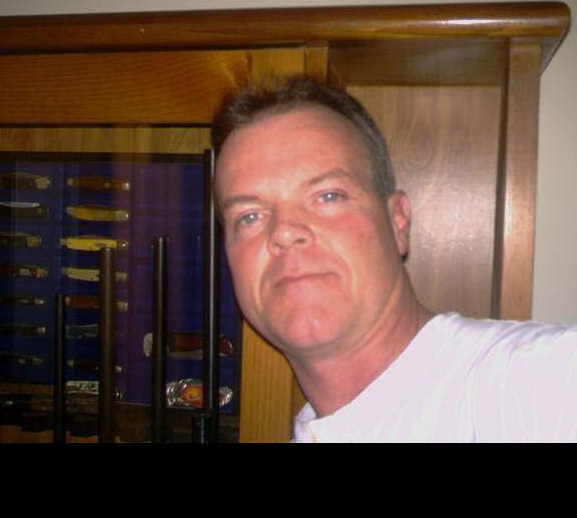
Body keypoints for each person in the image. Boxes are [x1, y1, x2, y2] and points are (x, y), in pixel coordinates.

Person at [212, 75, 577, 443]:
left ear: (397, 221)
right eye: (249, 216)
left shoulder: (543, 381)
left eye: (328, 196)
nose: (284, 231)